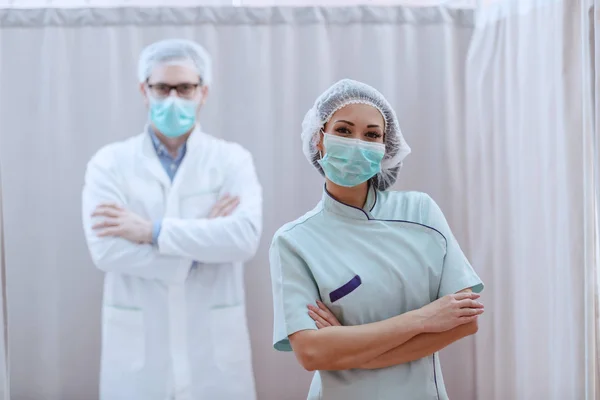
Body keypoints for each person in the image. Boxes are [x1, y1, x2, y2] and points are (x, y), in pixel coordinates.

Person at [269, 79, 485, 400]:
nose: (358, 143)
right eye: (343, 130)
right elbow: (312, 354)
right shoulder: (293, 241)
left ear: (387, 147)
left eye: (371, 135)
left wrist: (344, 346)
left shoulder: (421, 211)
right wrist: (424, 318)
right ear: (319, 139)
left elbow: (463, 322)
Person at [81, 39, 262, 400]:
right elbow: (105, 251)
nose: (173, 98)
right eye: (162, 87)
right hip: (139, 356)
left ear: (203, 91)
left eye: (185, 87)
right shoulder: (110, 163)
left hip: (212, 354)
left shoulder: (232, 161)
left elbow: (243, 238)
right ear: (143, 90)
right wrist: (201, 247)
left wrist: (151, 231)